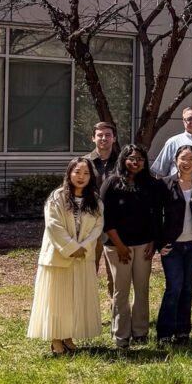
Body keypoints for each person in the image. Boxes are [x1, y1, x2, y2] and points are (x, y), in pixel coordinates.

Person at [27, 158, 103, 355]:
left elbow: (97, 227)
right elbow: (53, 225)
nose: (81, 177)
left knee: (75, 298)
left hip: (82, 257)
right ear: (69, 173)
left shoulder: (95, 200)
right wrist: (71, 247)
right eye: (77, 172)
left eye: (86, 173)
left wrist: (83, 247)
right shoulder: (57, 197)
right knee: (57, 298)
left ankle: (68, 335)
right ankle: (56, 339)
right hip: (58, 257)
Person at [100, 145, 158, 348]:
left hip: (144, 245)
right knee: (121, 291)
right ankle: (121, 334)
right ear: (123, 160)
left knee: (142, 289)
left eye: (140, 159)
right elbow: (106, 219)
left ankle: (140, 332)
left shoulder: (150, 184)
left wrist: (153, 241)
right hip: (117, 247)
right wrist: (120, 246)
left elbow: (155, 215)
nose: (136, 162)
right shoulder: (111, 183)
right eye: (131, 158)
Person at [155, 145, 192, 345]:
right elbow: (156, 217)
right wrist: (159, 244)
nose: (187, 163)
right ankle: (164, 333)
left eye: (191, 159)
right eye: (183, 159)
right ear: (176, 160)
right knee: (173, 288)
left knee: (187, 288)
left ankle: (182, 331)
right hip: (172, 246)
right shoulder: (164, 184)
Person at [84, 121, 119, 297]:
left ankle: (116, 313)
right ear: (93, 138)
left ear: (114, 138)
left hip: (115, 224)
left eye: (107, 135)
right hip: (90, 223)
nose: (103, 138)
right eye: (100, 135)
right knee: (89, 270)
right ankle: (87, 311)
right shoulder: (84, 163)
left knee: (116, 274)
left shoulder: (122, 162)